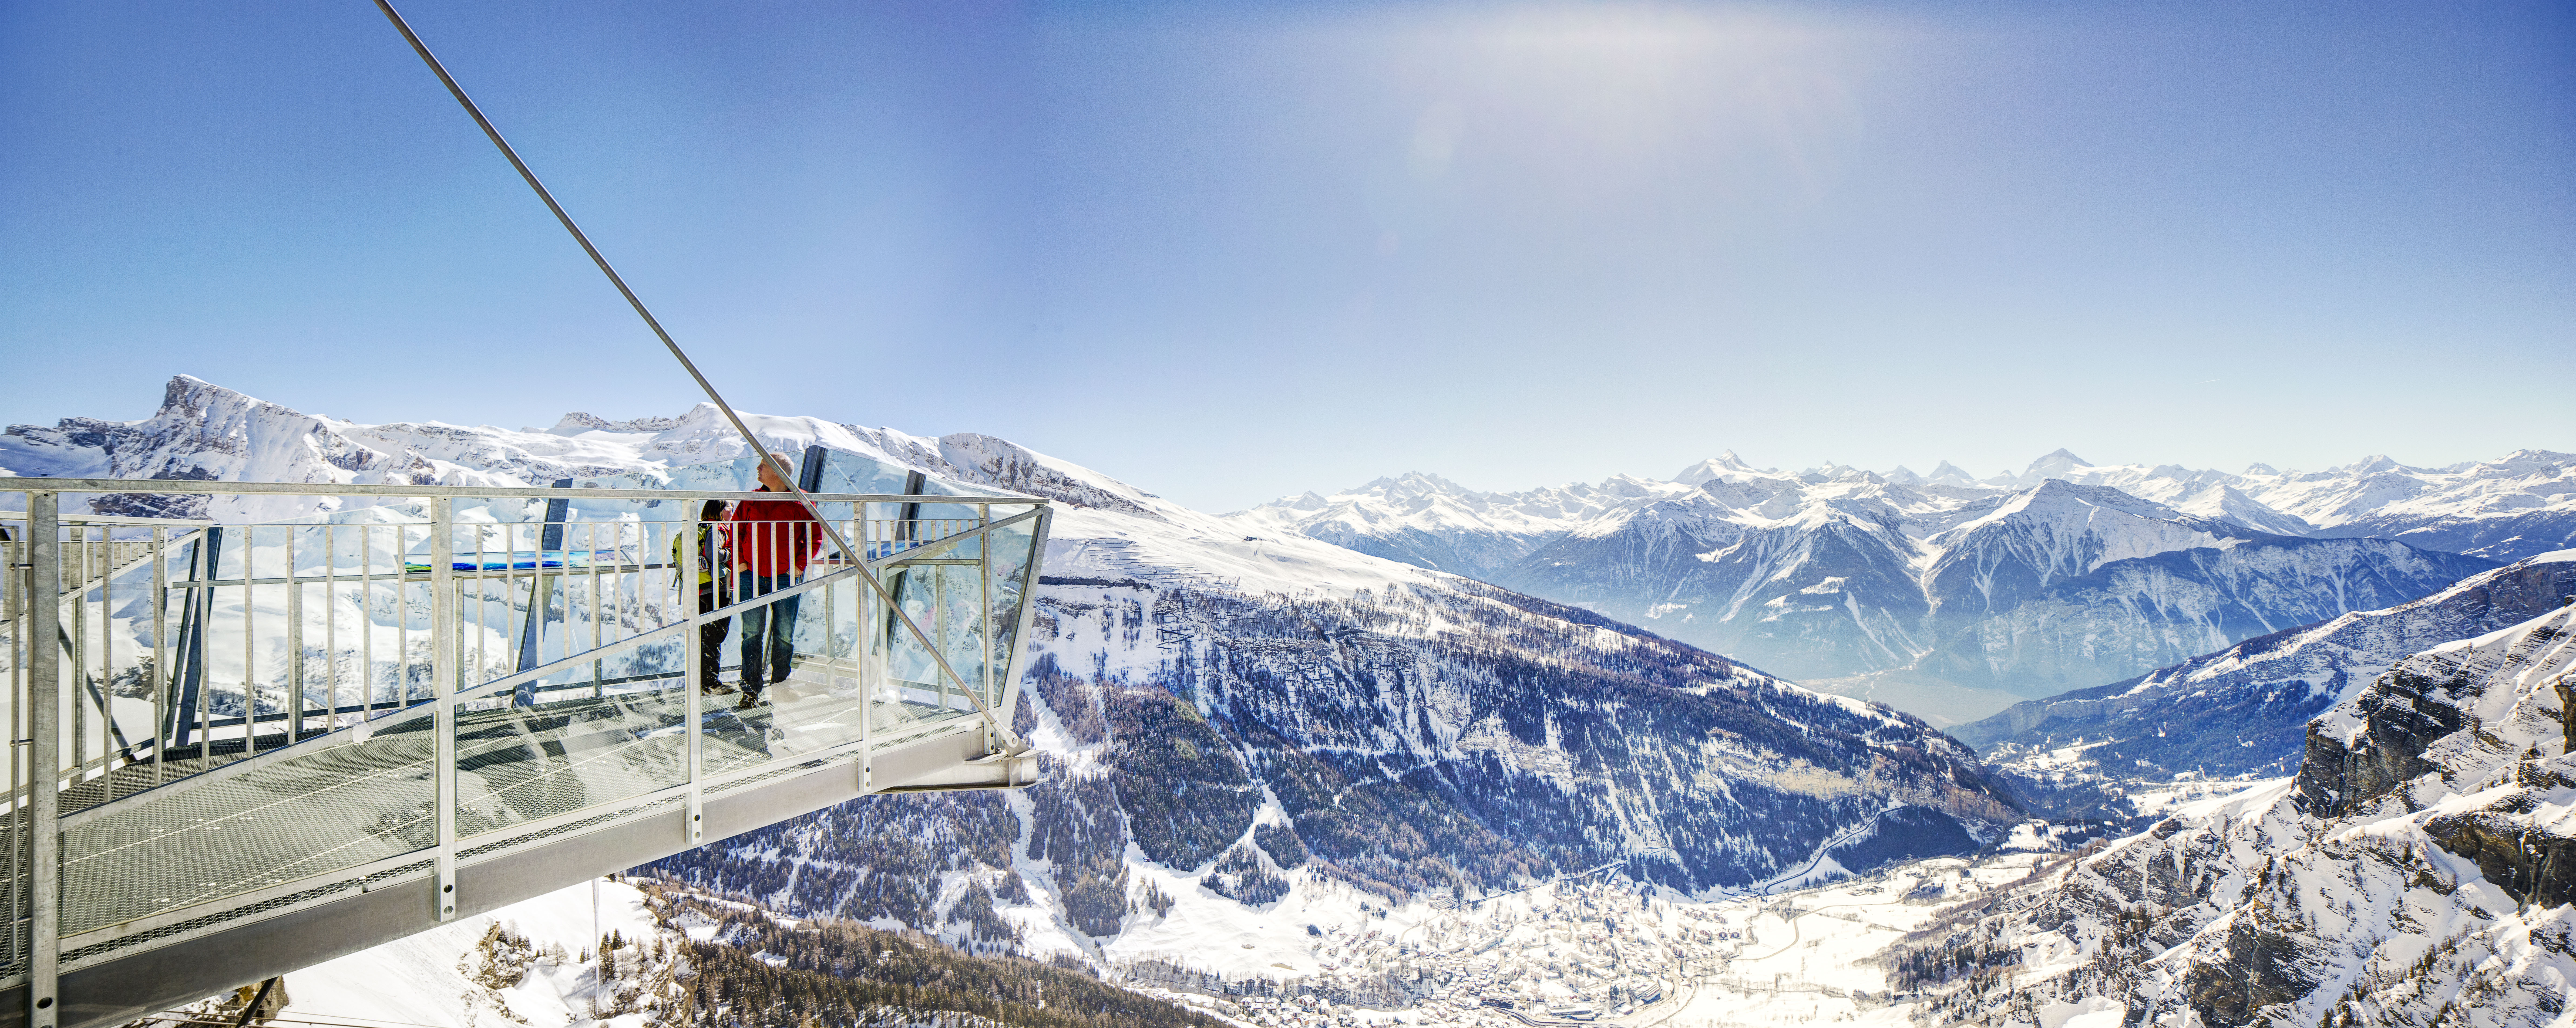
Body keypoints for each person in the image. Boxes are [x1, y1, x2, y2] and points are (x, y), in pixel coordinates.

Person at [725, 453, 825, 709]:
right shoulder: (751, 499)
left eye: (764, 465)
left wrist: (799, 565)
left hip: (785, 577)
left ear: (778, 472)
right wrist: (739, 564)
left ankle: (781, 686)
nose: (758, 469)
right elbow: (735, 532)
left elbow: (815, 536)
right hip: (750, 576)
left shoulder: (801, 501)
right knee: (752, 634)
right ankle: (750, 691)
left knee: (784, 634)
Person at [670, 499, 736, 696]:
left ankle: (701, 682)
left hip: (697, 588)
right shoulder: (717, 529)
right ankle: (711, 684)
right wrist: (731, 553)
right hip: (717, 588)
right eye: (730, 508)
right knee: (715, 636)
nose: (733, 513)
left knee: (703, 636)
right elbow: (713, 554)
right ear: (719, 512)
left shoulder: (697, 529)